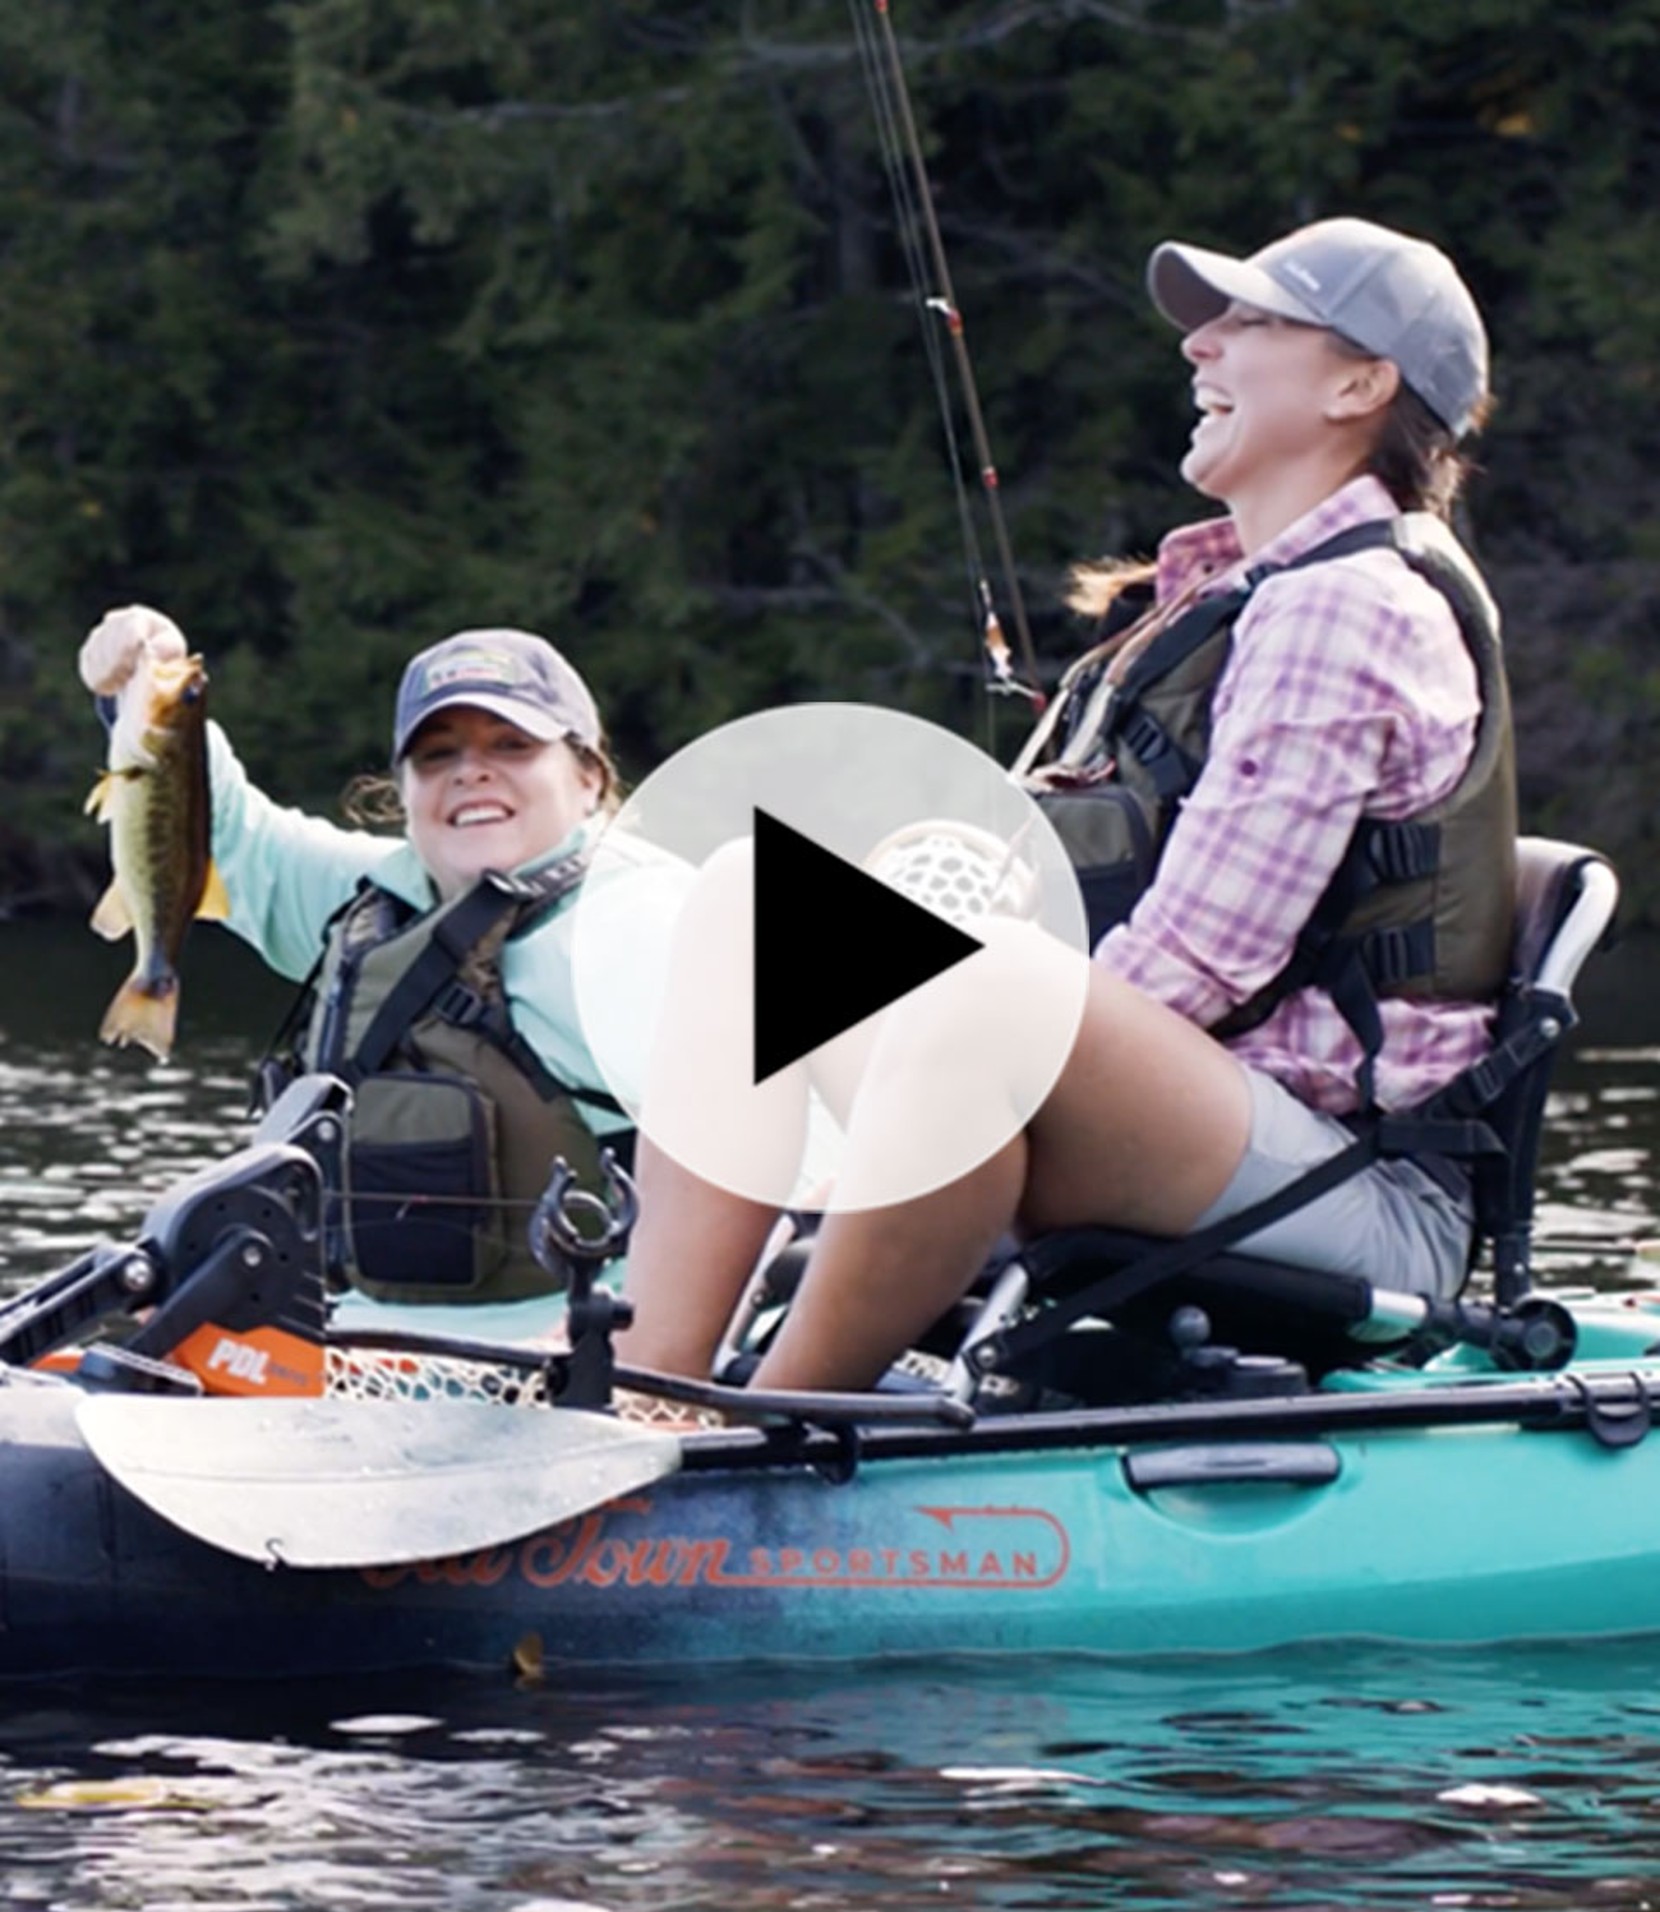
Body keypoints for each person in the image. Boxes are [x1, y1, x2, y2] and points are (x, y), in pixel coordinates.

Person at [615, 215, 1515, 1393]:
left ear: (1360, 381)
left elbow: (1202, 956)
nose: (1200, 349)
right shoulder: (1234, 595)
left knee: (984, 994)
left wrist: (914, 1077)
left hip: (1350, 1191)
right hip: (1189, 1125)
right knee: (756, 904)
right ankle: (649, 1385)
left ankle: (769, 1425)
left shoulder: (1349, 605)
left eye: (1249, 322)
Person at [79, 612, 675, 1314]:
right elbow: (224, 830)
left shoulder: (649, 921)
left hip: (587, 1363)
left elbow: (789, 1164)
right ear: (403, 792)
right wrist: (134, 688)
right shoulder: (375, 900)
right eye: (436, 754)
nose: (471, 770)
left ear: (588, 779)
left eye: (512, 744)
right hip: (372, 1362)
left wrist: (648, 1354)